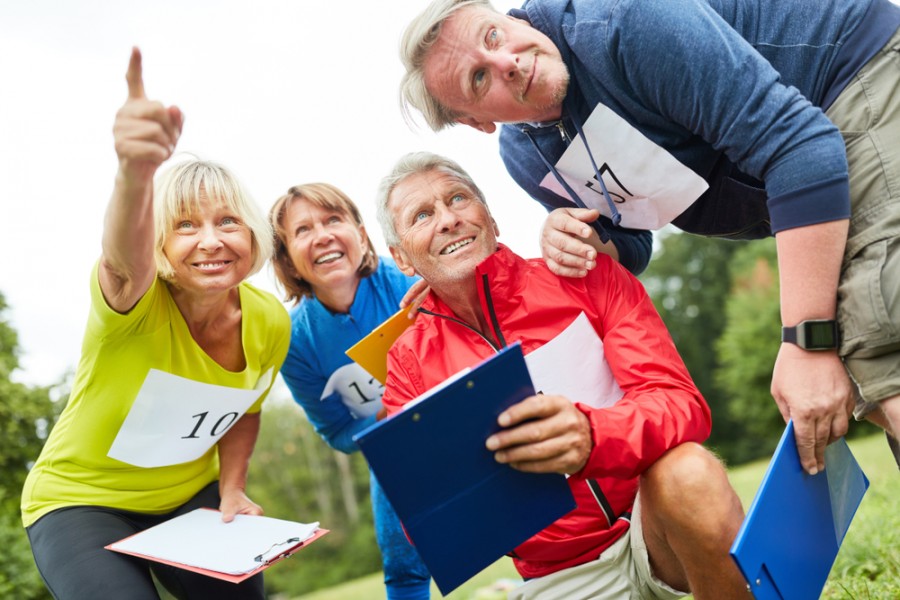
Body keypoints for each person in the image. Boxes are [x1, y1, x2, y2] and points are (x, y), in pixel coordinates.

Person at [398, 0, 900, 475]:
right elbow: (633, 242)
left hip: (851, 77)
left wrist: (804, 342)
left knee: (874, 341)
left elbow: (798, 147)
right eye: (479, 77)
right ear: (474, 121)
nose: (506, 61)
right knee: (864, 363)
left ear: (513, 19)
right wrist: (586, 243)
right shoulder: (529, 158)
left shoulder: (620, 22)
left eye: (494, 35)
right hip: (802, 171)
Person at [374, 151, 748, 600]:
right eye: (422, 215)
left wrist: (593, 436)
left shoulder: (584, 276)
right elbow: (428, 519)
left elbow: (679, 403)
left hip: (654, 532)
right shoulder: (407, 364)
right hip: (559, 577)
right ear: (401, 258)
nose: (449, 219)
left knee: (690, 471)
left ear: (491, 219)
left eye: (458, 198)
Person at [20, 48, 290, 600]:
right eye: (185, 225)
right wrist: (134, 173)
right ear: (160, 242)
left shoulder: (269, 322)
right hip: (82, 501)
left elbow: (246, 409)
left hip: (188, 499)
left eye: (228, 221)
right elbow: (122, 255)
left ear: (254, 233)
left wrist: (233, 490)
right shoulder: (133, 301)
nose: (211, 241)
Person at [269, 183, 432, 600]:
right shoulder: (294, 342)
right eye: (302, 230)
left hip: (465, 429)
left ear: (361, 234)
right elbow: (337, 433)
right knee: (402, 567)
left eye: (333, 220)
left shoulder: (410, 287)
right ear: (287, 259)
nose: (322, 235)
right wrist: (383, 417)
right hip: (391, 453)